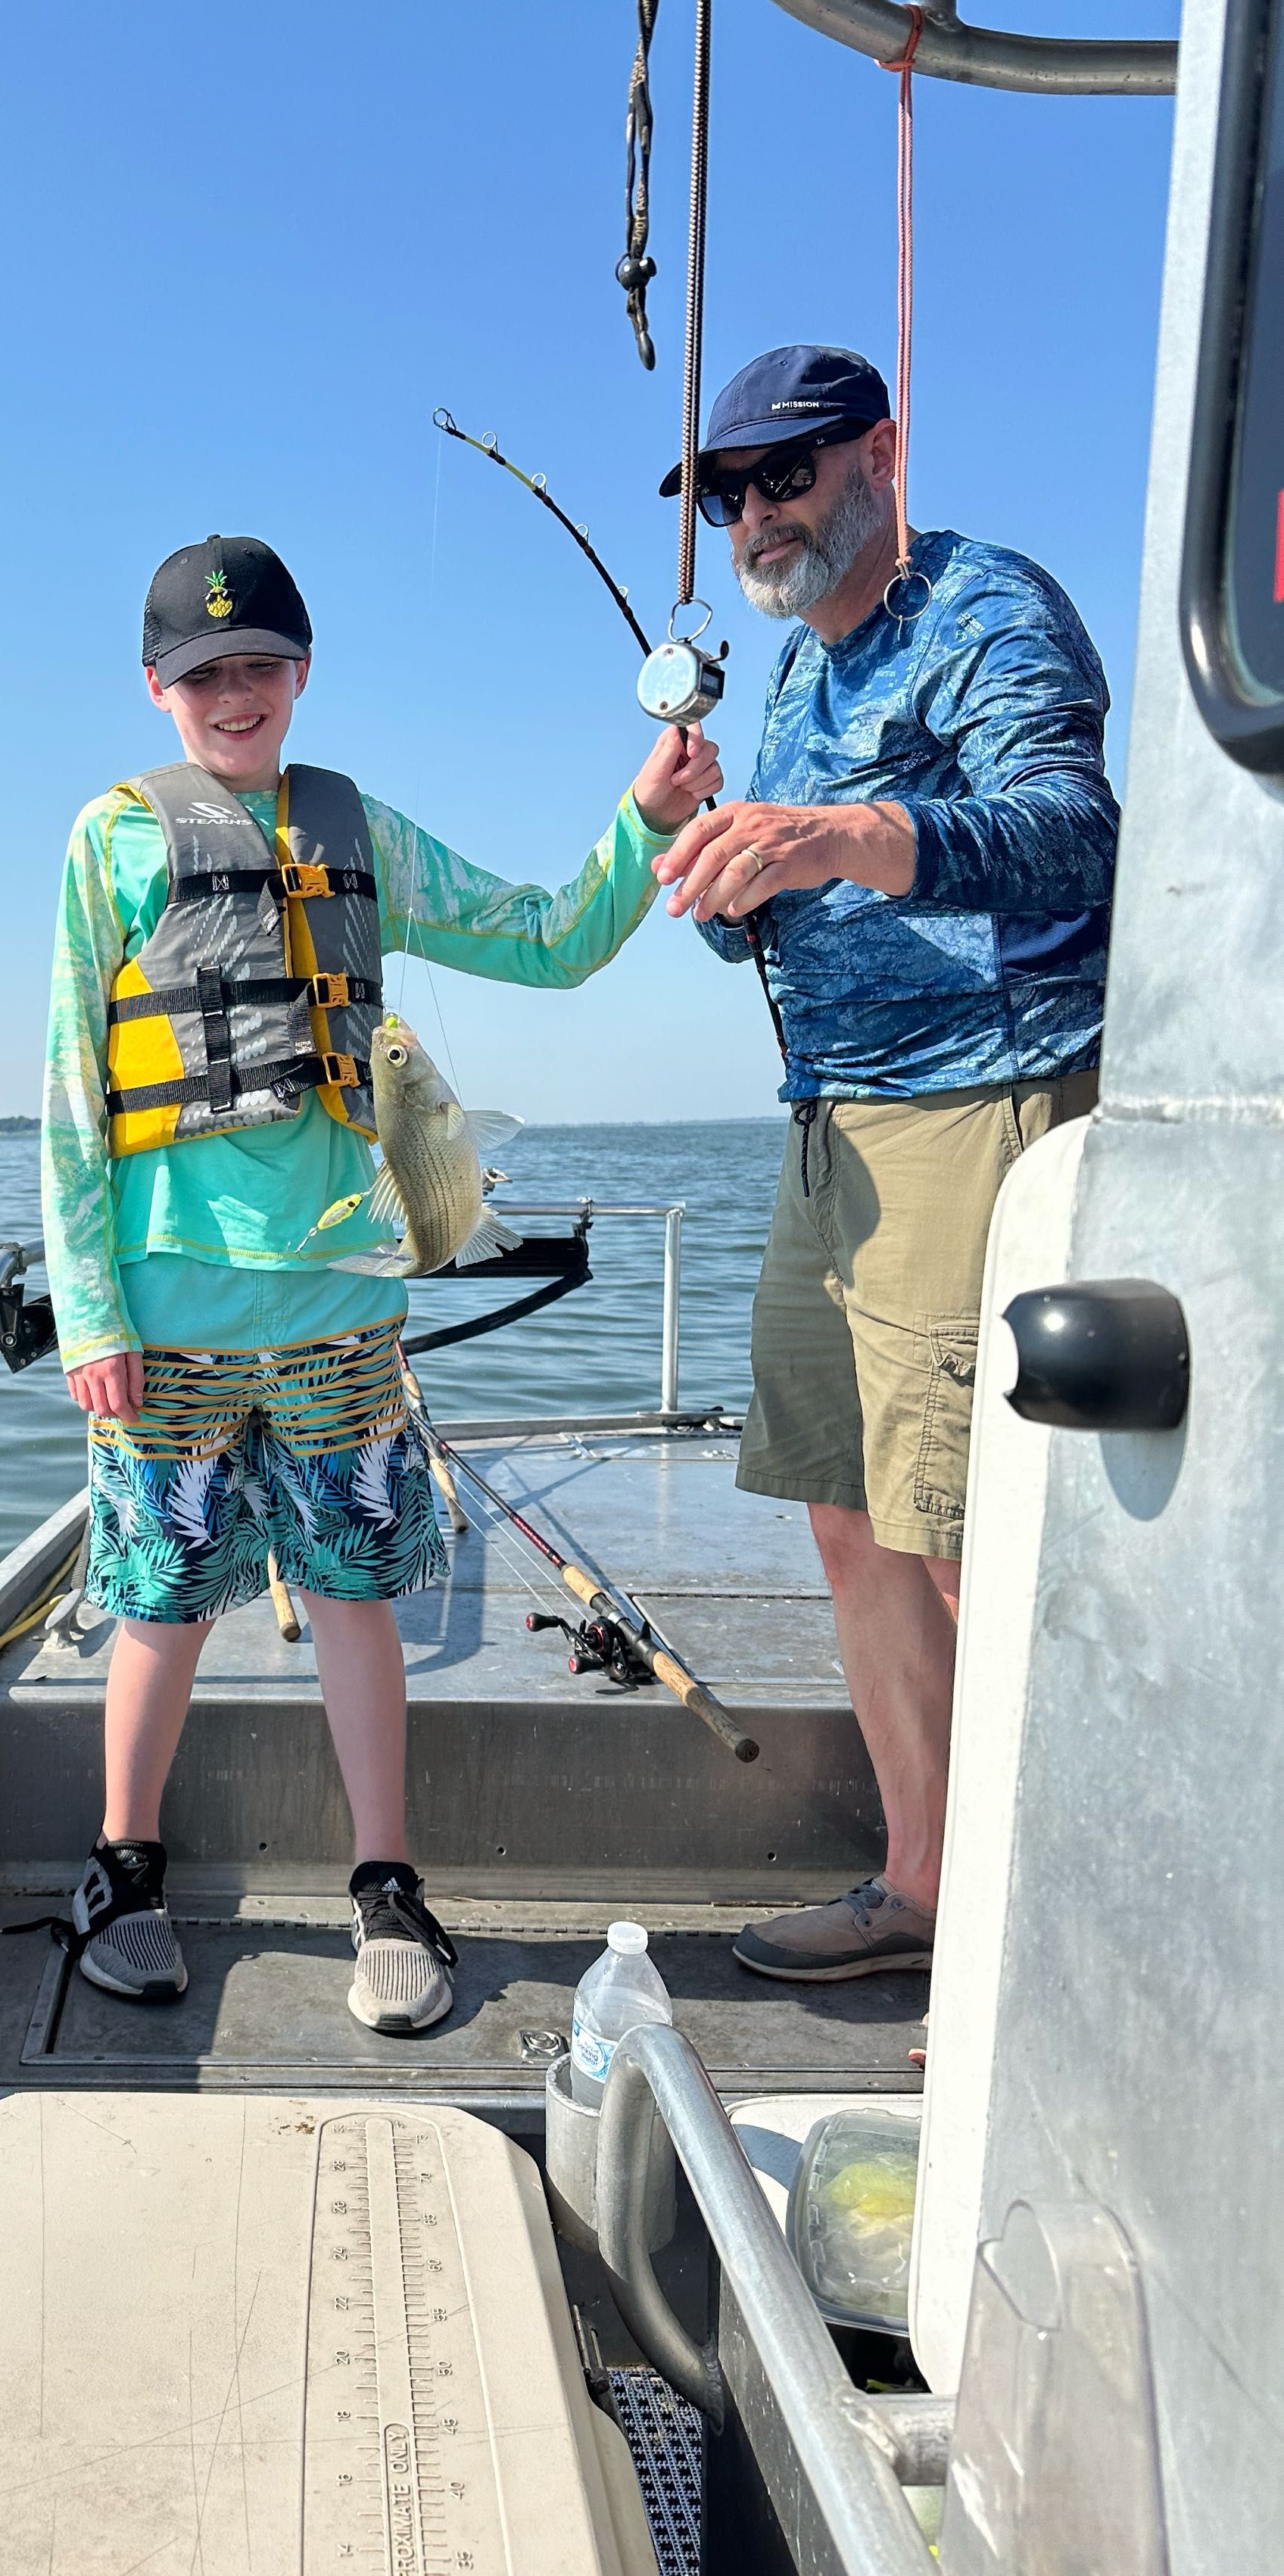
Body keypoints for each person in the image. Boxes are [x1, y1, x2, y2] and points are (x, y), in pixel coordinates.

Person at [41, 532, 721, 2032]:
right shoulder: (110, 843)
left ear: (300, 674)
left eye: (260, 666)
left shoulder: (365, 836)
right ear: (156, 690)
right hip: (165, 1318)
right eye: (202, 673)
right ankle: (121, 1868)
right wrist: (88, 1309)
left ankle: (384, 1885)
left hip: (342, 1314)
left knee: (354, 1596)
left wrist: (639, 816)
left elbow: (544, 941)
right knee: (159, 1603)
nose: (235, 695)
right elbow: (68, 1094)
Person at [649, 345, 1118, 1981]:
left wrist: (844, 834)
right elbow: (769, 933)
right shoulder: (788, 677)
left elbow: (1075, 834)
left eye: (784, 474)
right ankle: (921, 1882)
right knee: (848, 1520)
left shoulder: (986, 605)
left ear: (880, 454)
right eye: (729, 495)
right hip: (825, 1127)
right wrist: (700, 852)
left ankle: (1030, 1935)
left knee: (960, 1532)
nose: (755, 516)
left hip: (975, 1108)